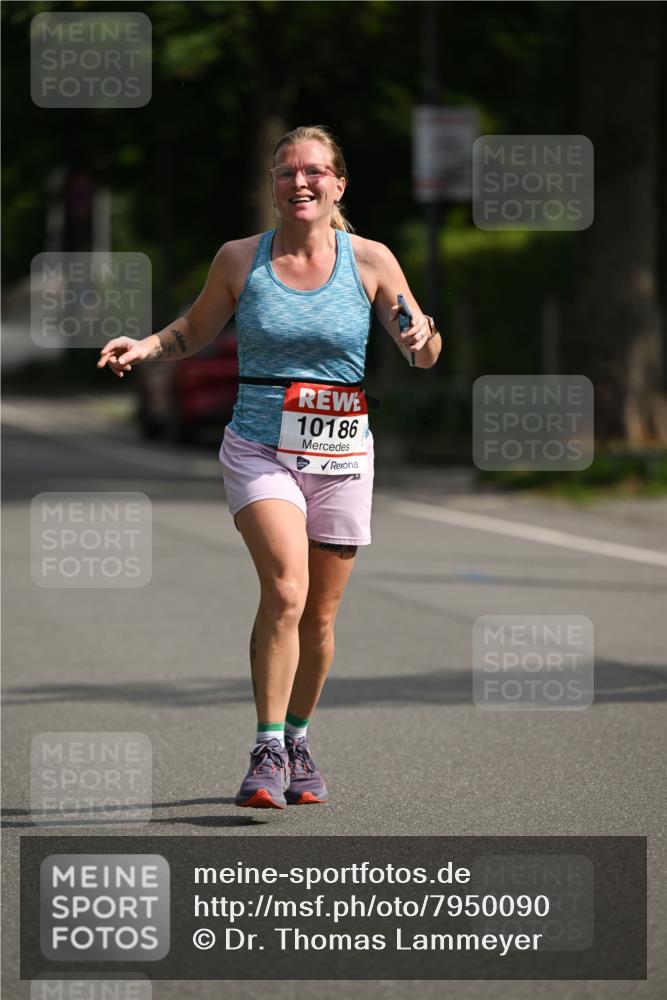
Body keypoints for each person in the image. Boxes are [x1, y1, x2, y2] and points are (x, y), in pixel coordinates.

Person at [97, 125, 441, 809]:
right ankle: (266, 749)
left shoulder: (370, 260)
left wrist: (422, 335)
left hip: (342, 455)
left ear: (337, 184)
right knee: (285, 590)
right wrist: (145, 345)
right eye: (286, 172)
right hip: (260, 447)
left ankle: (299, 736)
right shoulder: (238, 259)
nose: (299, 183)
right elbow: (193, 331)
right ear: (274, 186)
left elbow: (421, 348)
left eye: (314, 171)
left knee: (318, 616)